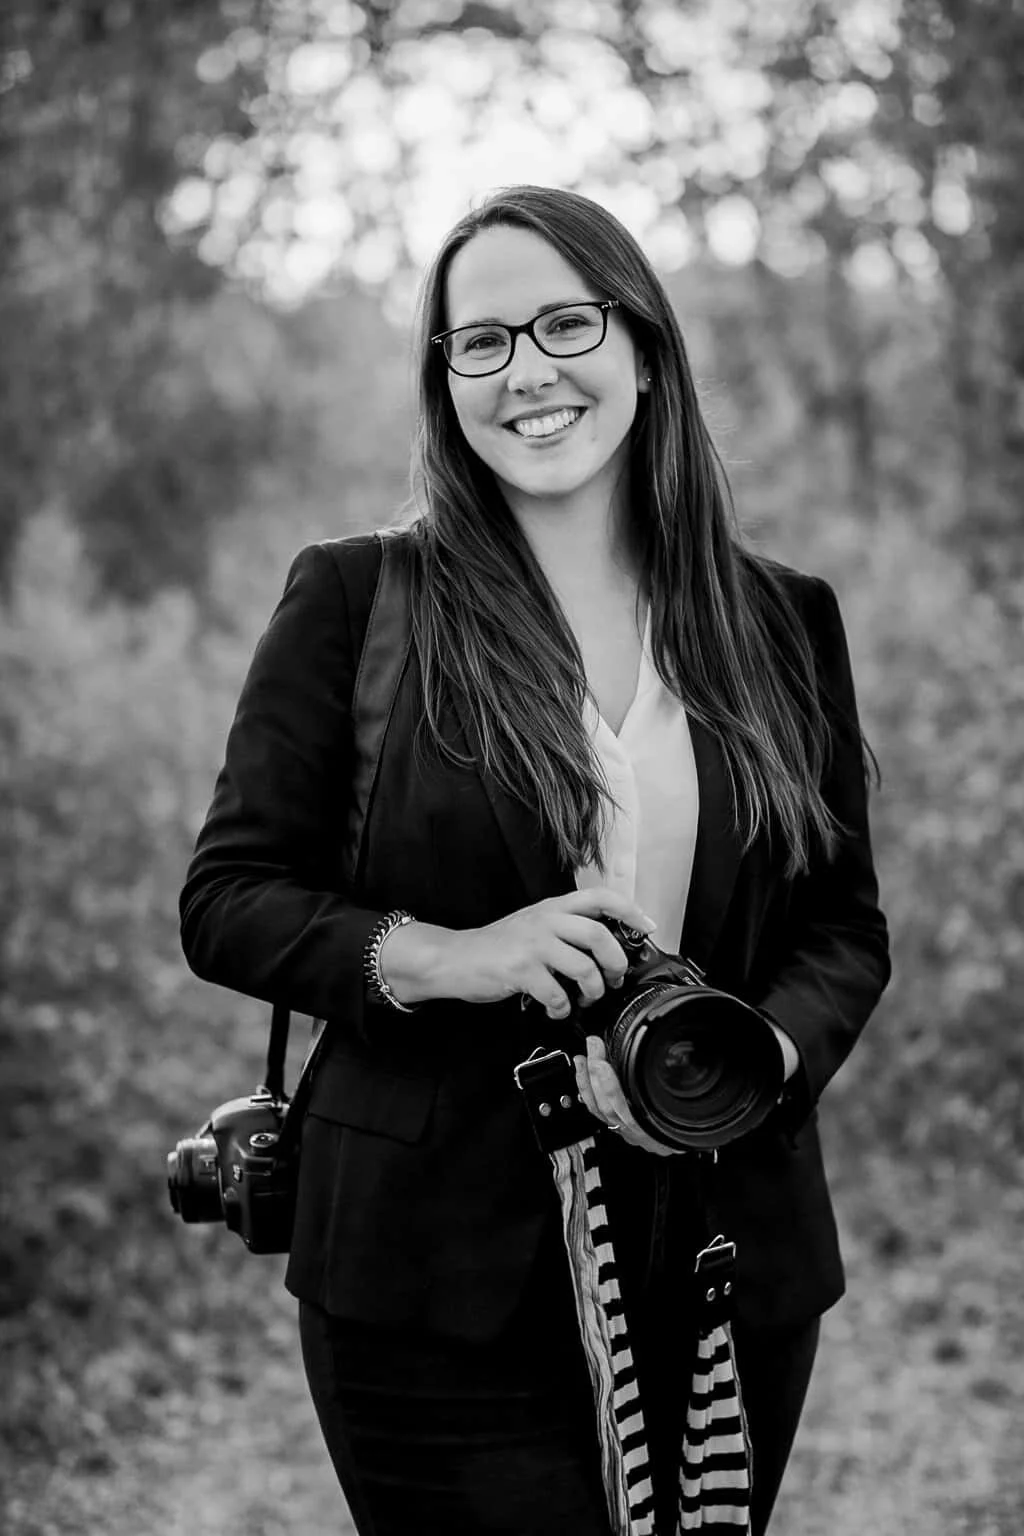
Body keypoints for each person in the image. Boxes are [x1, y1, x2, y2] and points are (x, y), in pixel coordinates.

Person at [179, 184, 890, 1536]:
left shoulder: (782, 621)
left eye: (565, 323)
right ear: (446, 383)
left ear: (642, 347)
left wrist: (761, 1058)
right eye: (483, 342)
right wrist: (448, 956)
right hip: (427, 1261)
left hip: (725, 1238)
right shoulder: (356, 599)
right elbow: (228, 900)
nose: (529, 371)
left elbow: (843, 931)